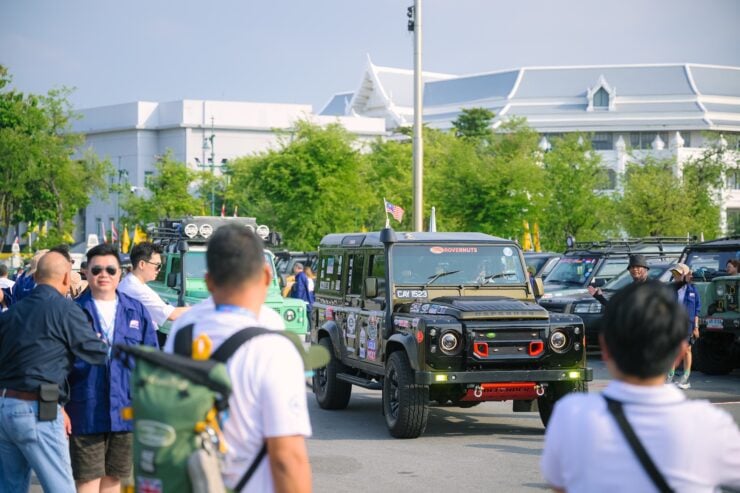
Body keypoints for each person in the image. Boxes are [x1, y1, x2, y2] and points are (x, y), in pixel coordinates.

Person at [541, 281, 740, 492]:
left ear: (605, 348)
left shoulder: (571, 415)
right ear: (681, 353)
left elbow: (560, 486)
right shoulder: (711, 424)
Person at [165, 224, 311, 492]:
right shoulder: (274, 341)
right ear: (267, 275)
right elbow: (287, 457)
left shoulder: (182, 330)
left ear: (209, 281)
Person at [0, 251, 109, 493]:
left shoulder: (11, 314)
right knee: (61, 488)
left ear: (36, 276)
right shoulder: (66, 310)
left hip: (5, 407)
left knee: (10, 488)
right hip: (39, 408)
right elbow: (97, 354)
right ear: (66, 278)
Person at [65, 244, 158, 493]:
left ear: (120, 273)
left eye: (110, 269)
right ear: (85, 272)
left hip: (126, 411)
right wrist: (57, 407)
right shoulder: (72, 312)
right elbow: (57, 363)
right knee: (87, 481)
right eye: (96, 269)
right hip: (85, 410)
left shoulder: (136, 310)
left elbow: (151, 363)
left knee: (114, 480)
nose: (103, 274)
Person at [118, 242, 189, 347]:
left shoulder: (133, 283)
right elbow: (172, 315)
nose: (159, 270)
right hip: (140, 342)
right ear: (142, 264)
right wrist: (203, 307)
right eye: (157, 265)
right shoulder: (136, 289)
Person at [668, 263, 701, 389]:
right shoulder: (671, 289)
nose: (675, 276)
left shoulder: (693, 290)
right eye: (674, 274)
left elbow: (697, 310)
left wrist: (696, 327)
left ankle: (685, 378)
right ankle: (670, 376)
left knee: (687, 350)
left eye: (678, 273)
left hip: (688, 324)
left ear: (685, 275)